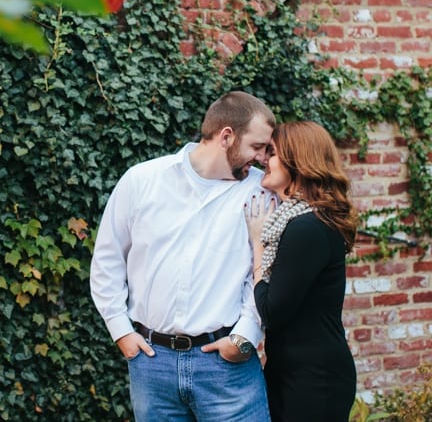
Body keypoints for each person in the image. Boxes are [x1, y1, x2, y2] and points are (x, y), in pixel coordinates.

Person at [90, 91, 275, 421]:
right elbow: (108, 259)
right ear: (227, 136)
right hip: (151, 364)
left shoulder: (260, 191)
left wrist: (245, 337)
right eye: (257, 147)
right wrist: (121, 331)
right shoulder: (142, 180)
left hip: (226, 366)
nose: (262, 158)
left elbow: (264, 271)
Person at [244, 121, 357, 422]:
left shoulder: (306, 228)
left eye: (273, 153)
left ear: (298, 161)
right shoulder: (299, 221)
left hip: (314, 381)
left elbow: (272, 311)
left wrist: (257, 245)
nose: (263, 160)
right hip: (293, 371)